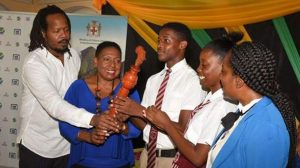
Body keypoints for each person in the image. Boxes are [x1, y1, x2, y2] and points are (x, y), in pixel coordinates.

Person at [17, 5, 118, 168]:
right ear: (44, 33)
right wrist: (93, 119)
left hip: (66, 143)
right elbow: (54, 104)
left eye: (66, 29)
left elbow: (76, 95)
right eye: (57, 31)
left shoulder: (73, 56)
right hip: (37, 145)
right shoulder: (34, 63)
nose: (64, 35)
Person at [114, 22, 207, 168]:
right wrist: (129, 113)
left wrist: (138, 110)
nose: (159, 45)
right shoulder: (153, 80)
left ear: (182, 45)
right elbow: (145, 126)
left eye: (166, 40)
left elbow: (185, 129)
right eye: (158, 41)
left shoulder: (192, 80)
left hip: (172, 159)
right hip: (147, 155)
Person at [143, 34, 240, 168]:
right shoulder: (210, 99)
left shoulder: (222, 105)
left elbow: (198, 158)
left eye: (204, 65)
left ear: (223, 68)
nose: (198, 69)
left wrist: (167, 125)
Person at [207, 41, 296, 167]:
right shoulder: (245, 110)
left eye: (224, 72)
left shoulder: (266, 128)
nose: (220, 77)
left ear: (239, 82)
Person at [59, 41, 141, 168]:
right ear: (96, 61)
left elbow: (137, 129)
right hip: (83, 162)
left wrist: (121, 126)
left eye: (117, 61)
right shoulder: (78, 87)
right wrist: (88, 136)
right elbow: (64, 123)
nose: (112, 65)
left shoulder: (129, 91)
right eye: (106, 59)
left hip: (119, 162)